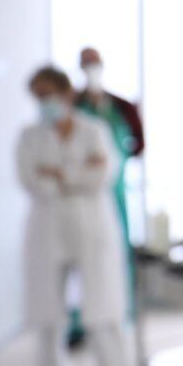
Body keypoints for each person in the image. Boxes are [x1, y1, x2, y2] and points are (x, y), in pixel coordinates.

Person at [17, 66, 131, 366]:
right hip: (47, 229)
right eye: (37, 96)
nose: (44, 102)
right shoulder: (29, 137)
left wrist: (59, 173)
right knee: (47, 315)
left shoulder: (95, 129)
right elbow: (31, 180)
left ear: (67, 93)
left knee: (103, 310)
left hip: (91, 228)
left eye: (48, 93)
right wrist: (77, 173)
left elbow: (103, 175)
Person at [67, 47, 144, 347]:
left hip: (113, 195)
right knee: (78, 261)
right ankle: (80, 322)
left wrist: (95, 168)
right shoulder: (73, 108)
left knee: (116, 255)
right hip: (75, 200)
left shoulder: (120, 106)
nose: (90, 68)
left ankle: (119, 315)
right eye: (85, 63)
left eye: (94, 63)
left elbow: (136, 146)